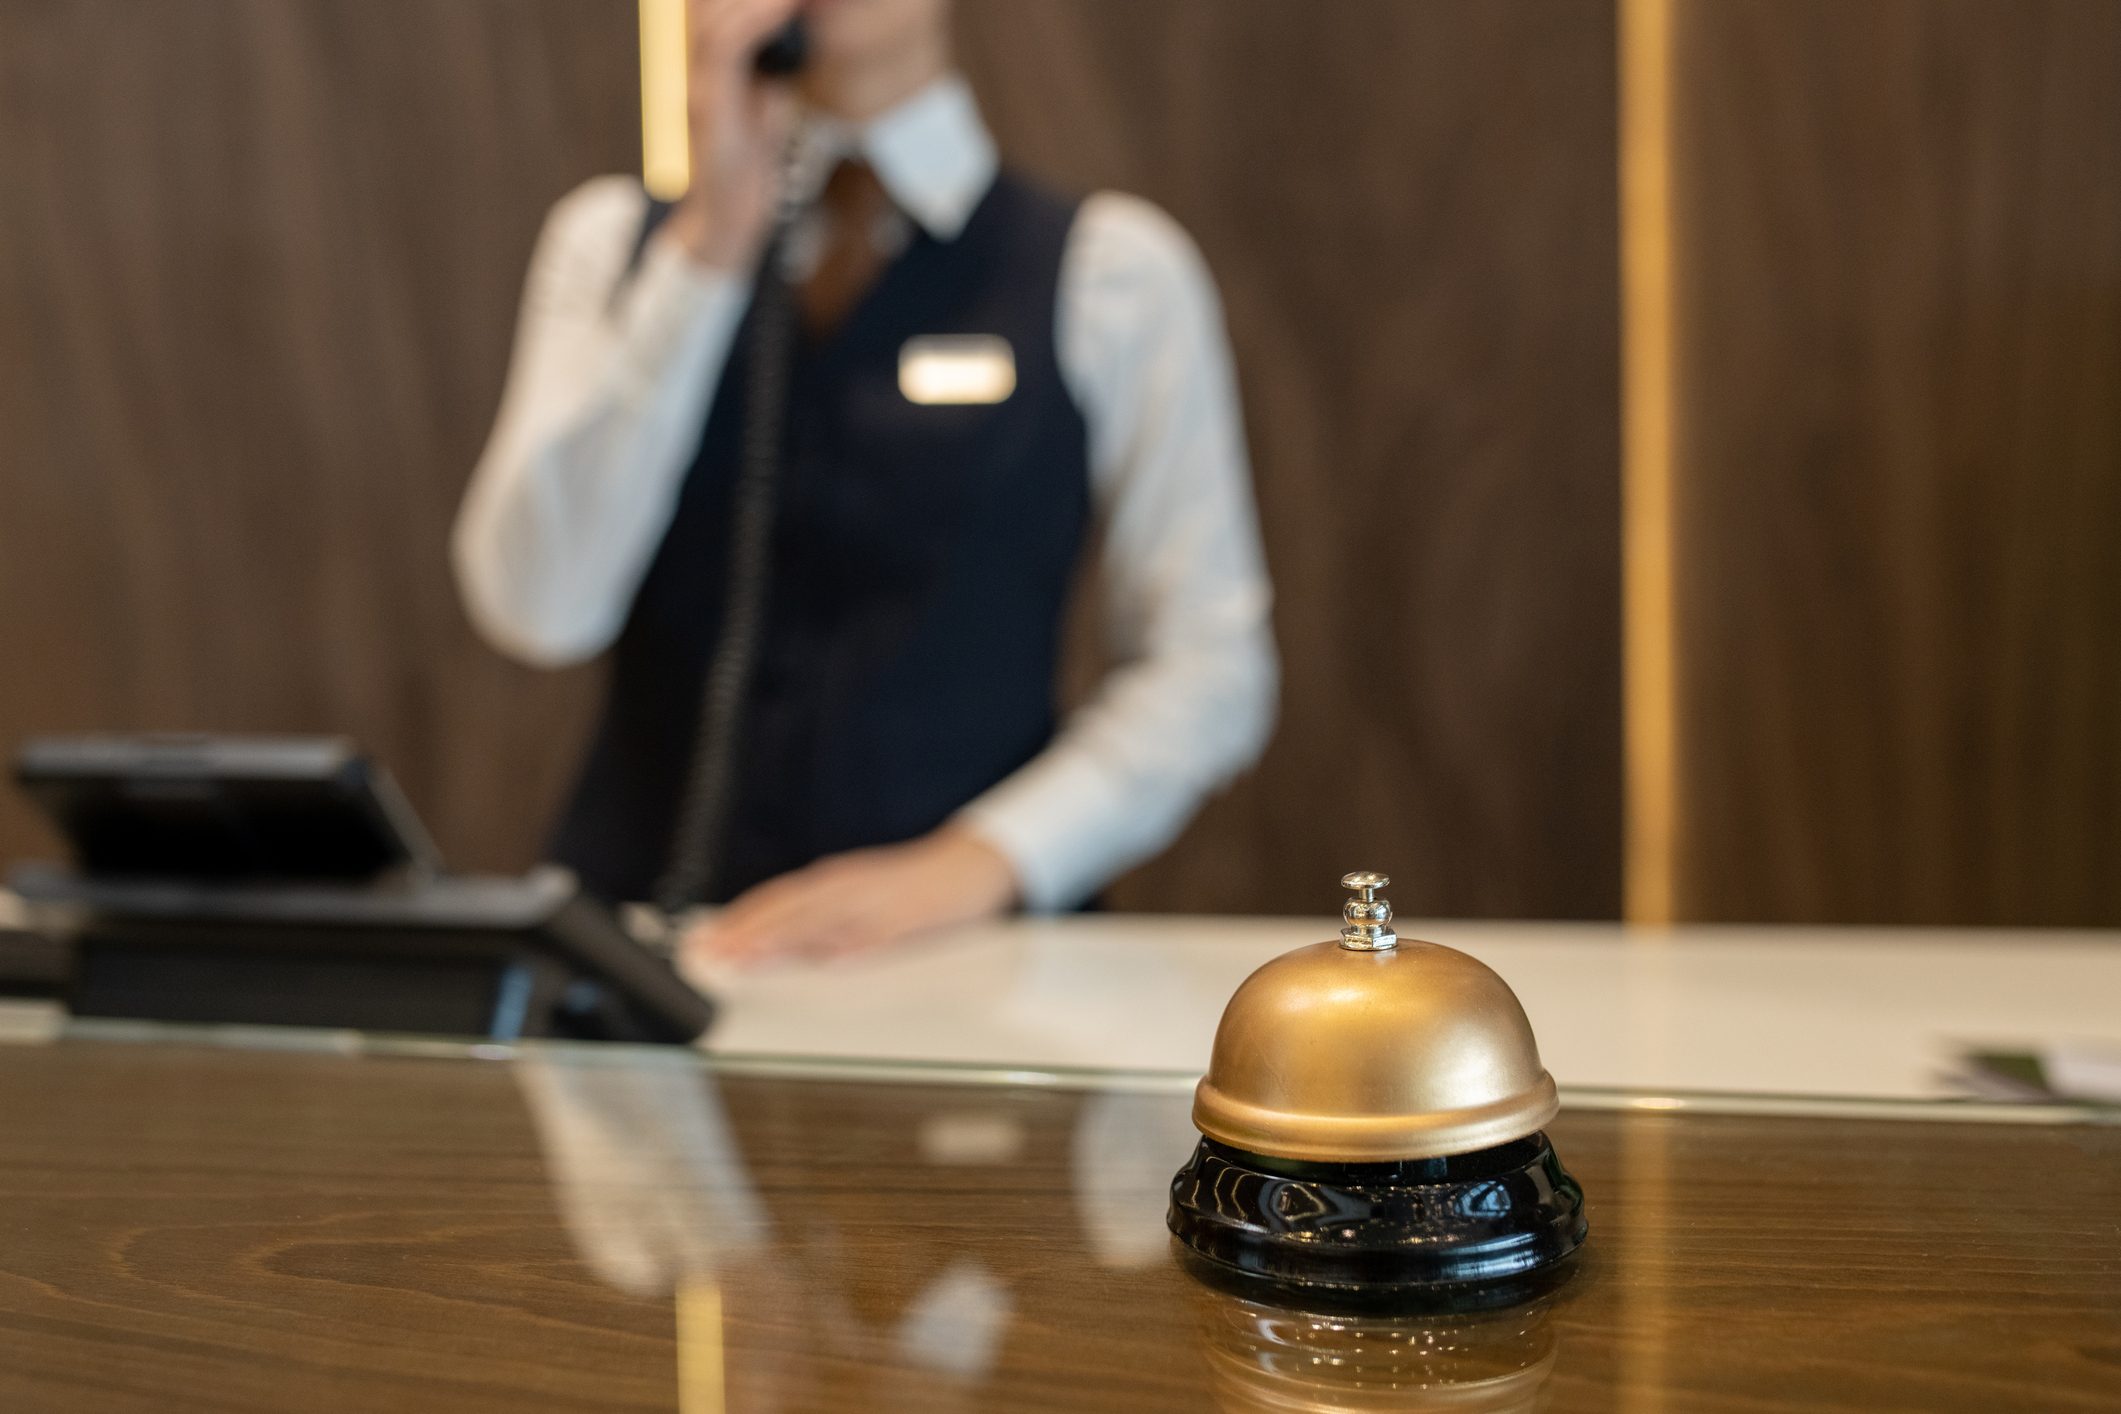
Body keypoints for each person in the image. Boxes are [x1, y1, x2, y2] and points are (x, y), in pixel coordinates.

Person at [453, 0, 1274, 964]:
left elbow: (1212, 668)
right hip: (646, 956)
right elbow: (541, 610)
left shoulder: (1113, 273)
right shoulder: (613, 244)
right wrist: (709, 246)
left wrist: (983, 860)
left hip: (969, 975)